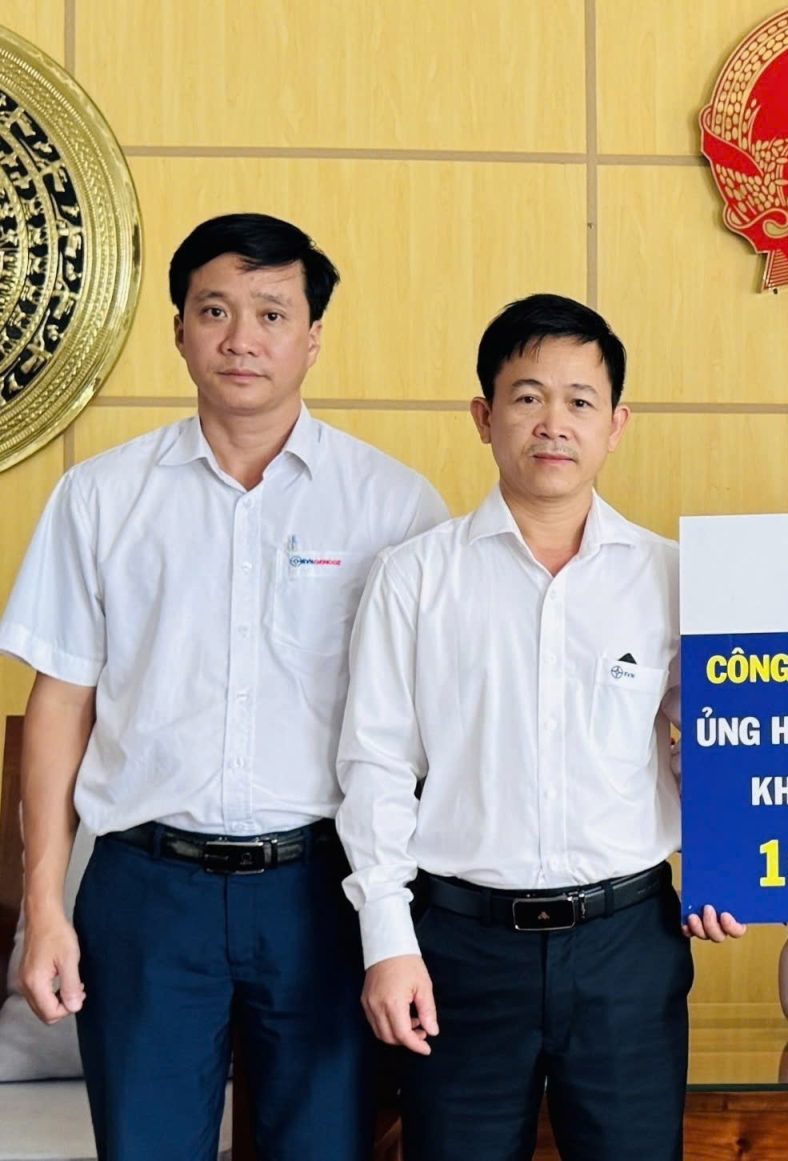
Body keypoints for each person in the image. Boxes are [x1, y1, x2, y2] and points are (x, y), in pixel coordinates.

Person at [1, 213, 447, 1159]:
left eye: (272, 313)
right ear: (178, 330)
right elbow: (59, 705)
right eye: (215, 310)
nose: (242, 337)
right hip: (146, 890)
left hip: (323, 891)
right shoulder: (101, 497)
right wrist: (45, 907)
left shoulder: (394, 506)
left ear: (313, 337)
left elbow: (429, 724)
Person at [335, 293, 742, 1161]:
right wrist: (387, 943)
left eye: (579, 400)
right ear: (484, 417)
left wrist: (730, 860)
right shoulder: (415, 578)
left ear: (616, 425)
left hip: (626, 946)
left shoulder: (673, 579)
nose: (553, 422)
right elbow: (374, 766)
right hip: (459, 951)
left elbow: (718, 745)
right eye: (527, 397)